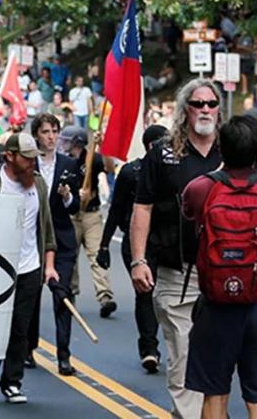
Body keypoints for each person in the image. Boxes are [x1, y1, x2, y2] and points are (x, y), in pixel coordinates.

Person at [182, 116, 257, 419]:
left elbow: (189, 213)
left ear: (221, 148)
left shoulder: (201, 188)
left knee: (215, 396)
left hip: (216, 304)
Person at [130, 78, 223, 418]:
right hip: (176, 270)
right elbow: (143, 207)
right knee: (183, 355)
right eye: (198, 104)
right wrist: (139, 260)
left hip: (225, 271)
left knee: (217, 359)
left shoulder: (232, 150)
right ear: (185, 110)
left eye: (211, 104)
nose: (205, 110)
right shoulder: (162, 155)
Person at [0, 133, 57, 404]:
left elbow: (46, 226)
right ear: (9, 156)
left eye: (35, 159)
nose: (32, 164)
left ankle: (12, 382)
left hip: (29, 266)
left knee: (21, 327)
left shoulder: (39, 185)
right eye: (26, 158)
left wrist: (49, 265)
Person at [98, 124, 168, 374]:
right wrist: (104, 245)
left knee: (167, 295)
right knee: (145, 294)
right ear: (150, 146)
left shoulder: (172, 169)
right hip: (137, 242)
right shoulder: (130, 172)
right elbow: (116, 210)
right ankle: (149, 348)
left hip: (165, 242)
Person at [31, 114, 81, 375]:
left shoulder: (69, 164)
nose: (51, 137)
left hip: (62, 239)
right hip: (33, 239)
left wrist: (68, 197)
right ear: (36, 135)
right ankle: (28, 347)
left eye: (54, 131)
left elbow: (75, 207)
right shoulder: (27, 163)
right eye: (45, 132)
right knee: (31, 295)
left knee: (62, 296)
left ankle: (64, 355)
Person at [60, 126, 118, 317]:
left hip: (92, 215)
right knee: (70, 257)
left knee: (96, 254)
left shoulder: (92, 157)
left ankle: (105, 296)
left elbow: (110, 169)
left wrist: (104, 148)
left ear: (77, 142)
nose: (64, 144)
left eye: (68, 140)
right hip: (71, 216)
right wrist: (72, 195)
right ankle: (70, 294)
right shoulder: (62, 161)